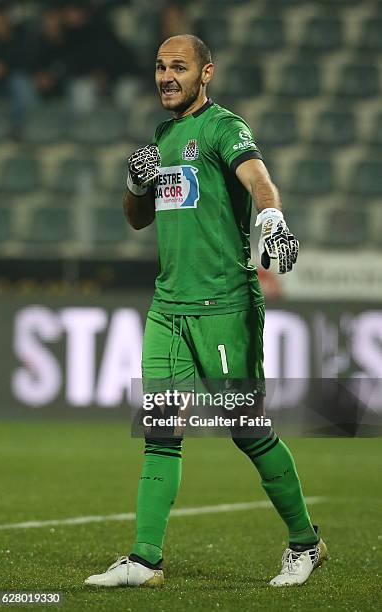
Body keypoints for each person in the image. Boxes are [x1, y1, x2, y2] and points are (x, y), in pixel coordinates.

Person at [85, 34, 327, 589]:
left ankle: (305, 543)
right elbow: (137, 219)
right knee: (161, 430)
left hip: (224, 304)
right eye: (159, 67)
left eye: (178, 67)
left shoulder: (224, 128)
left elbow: (260, 181)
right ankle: (145, 560)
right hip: (168, 305)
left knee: (247, 430)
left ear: (206, 73)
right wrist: (133, 185)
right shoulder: (162, 135)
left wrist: (272, 221)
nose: (165, 77)